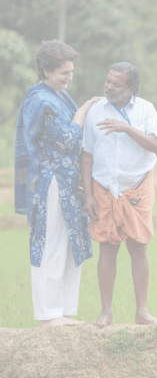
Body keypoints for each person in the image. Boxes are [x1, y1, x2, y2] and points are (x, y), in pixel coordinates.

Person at [14, 40, 99, 327]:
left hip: (68, 182)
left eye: (71, 71)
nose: (69, 77)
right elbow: (67, 139)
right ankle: (48, 314)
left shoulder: (58, 96)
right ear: (46, 70)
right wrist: (85, 109)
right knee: (49, 244)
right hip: (49, 182)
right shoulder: (40, 101)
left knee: (69, 244)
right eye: (64, 72)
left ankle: (61, 310)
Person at [81, 62, 157, 327]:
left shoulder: (145, 110)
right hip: (104, 188)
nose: (108, 87)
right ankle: (106, 312)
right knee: (107, 248)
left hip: (136, 188)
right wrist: (88, 195)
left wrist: (126, 128)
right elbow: (86, 155)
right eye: (107, 81)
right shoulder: (96, 110)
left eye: (115, 84)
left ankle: (142, 312)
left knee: (138, 247)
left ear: (131, 88)